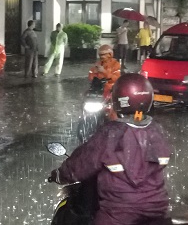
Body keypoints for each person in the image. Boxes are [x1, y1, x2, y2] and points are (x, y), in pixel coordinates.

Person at [50, 73, 171, 225]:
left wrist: (60, 175)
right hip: (158, 212)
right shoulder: (157, 130)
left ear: (118, 99)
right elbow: (162, 157)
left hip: (118, 215)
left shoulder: (109, 134)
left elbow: (81, 163)